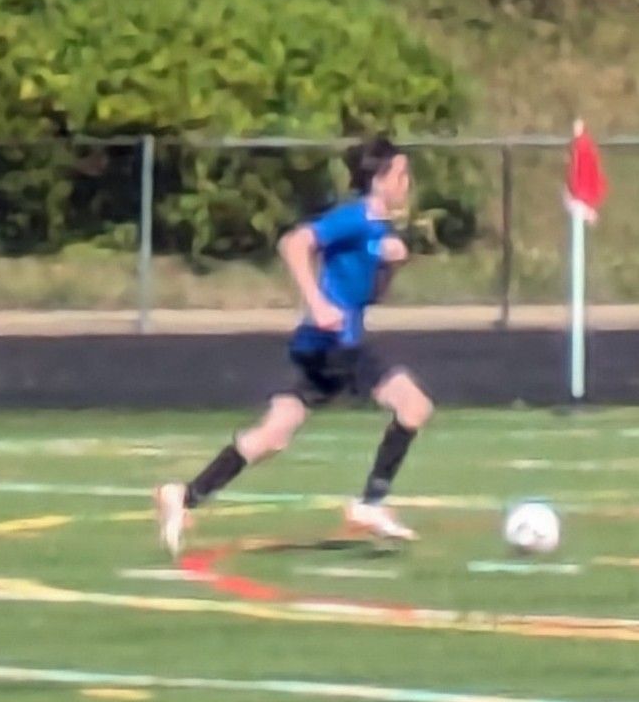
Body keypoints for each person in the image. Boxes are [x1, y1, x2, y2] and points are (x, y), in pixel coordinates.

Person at [155, 137, 433, 557]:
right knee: (413, 406)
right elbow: (294, 243)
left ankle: (185, 495)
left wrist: (391, 267)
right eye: (401, 174)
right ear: (378, 180)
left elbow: (367, 295)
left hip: (322, 344)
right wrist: (318, 303)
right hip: (335, 344)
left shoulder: (380, 229)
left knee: (272, 435)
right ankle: (370, 503)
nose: (407, 184)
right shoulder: (354, 218)